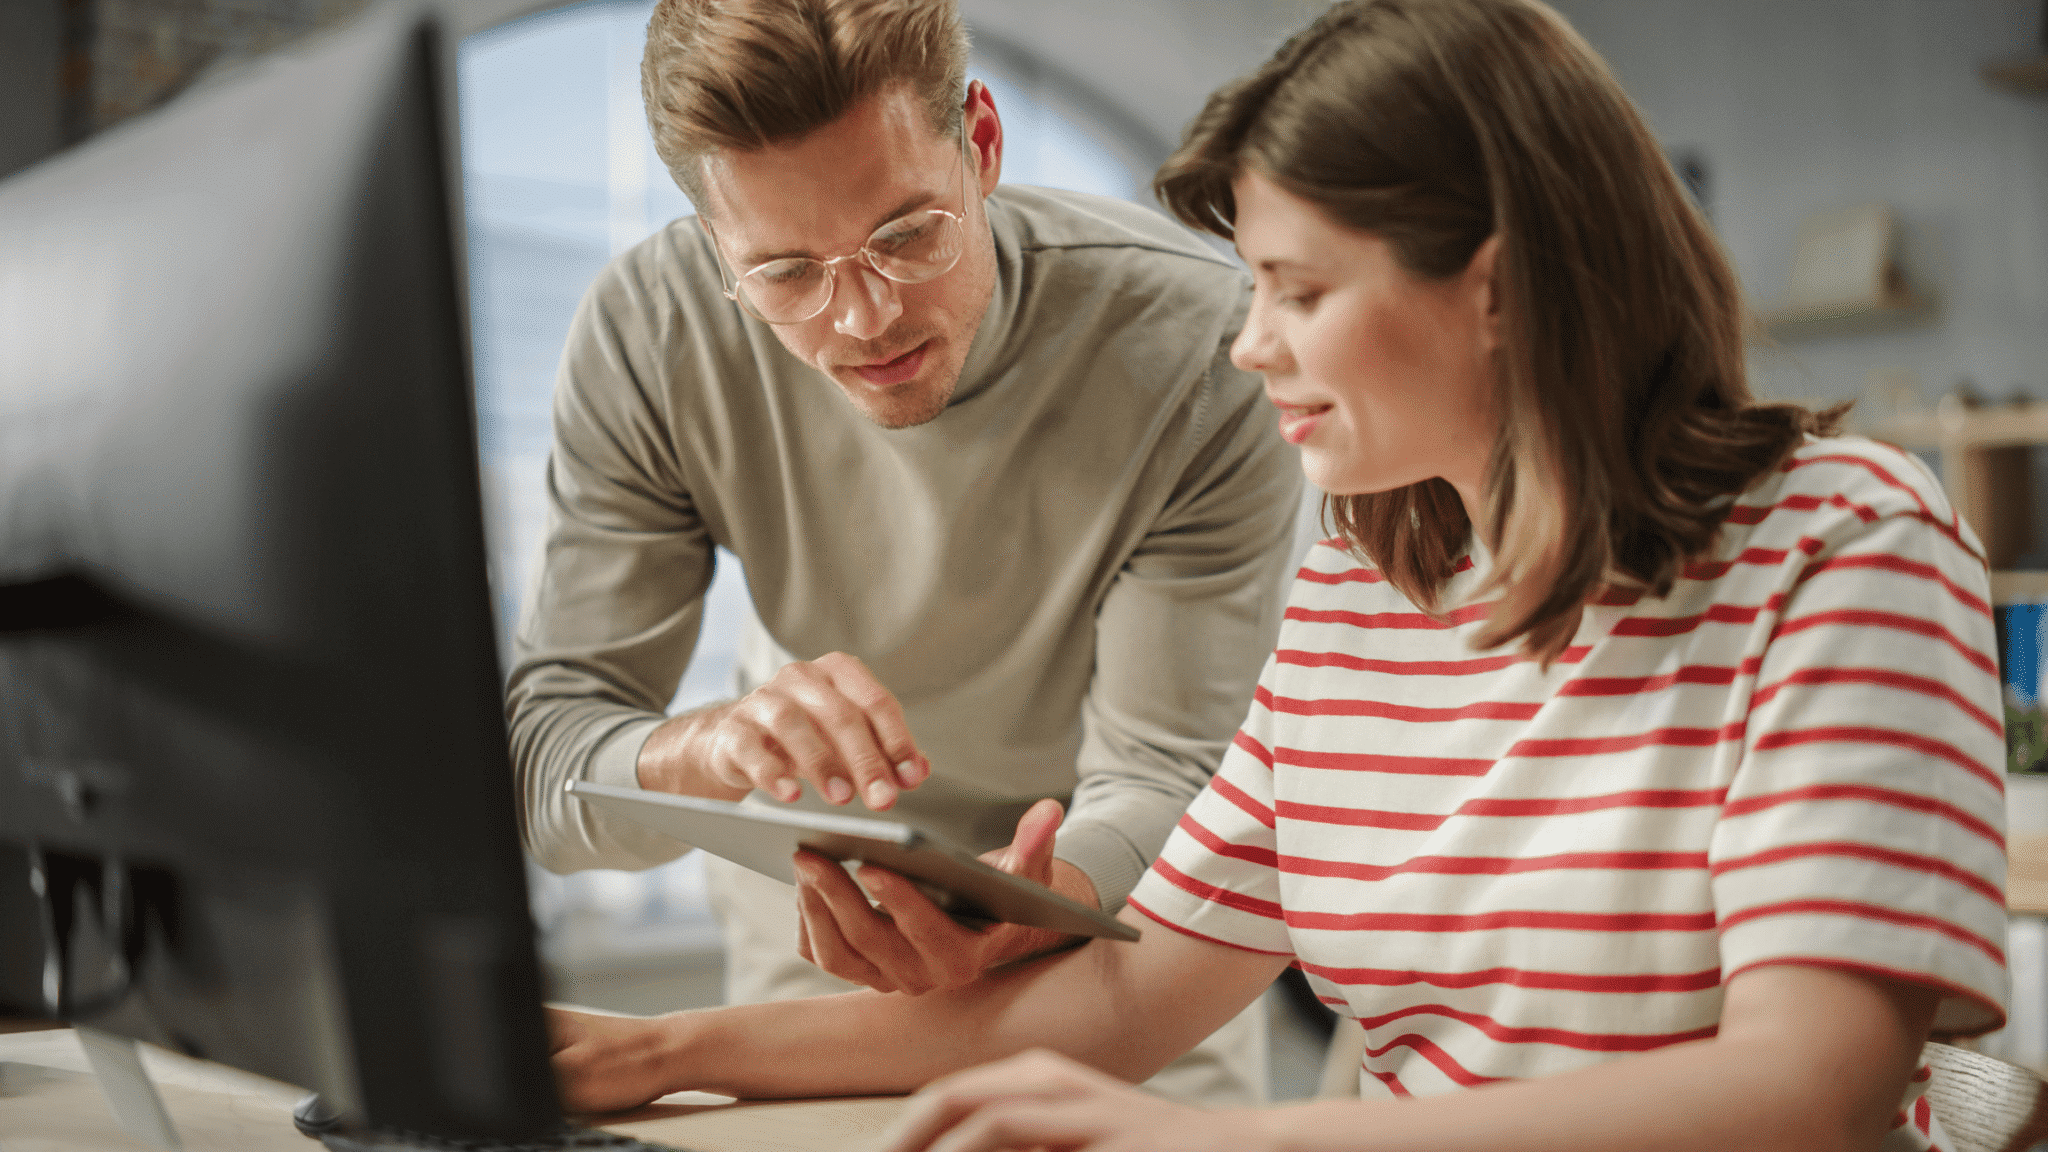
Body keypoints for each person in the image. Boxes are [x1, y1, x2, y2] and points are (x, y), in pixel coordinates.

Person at [544, 1, 2010, 1149]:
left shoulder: (1845, 545)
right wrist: (651, 1050)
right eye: (1253, 287)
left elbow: (1808, 1093)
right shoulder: (1362, 605)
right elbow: (1118, 1000)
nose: (1247, 347)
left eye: (1298, 293)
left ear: (1496, 287)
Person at [507, 0, 1301, 1104]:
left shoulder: (1198, 351)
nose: (865, 318)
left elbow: (1171, 776)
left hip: (1116, 966)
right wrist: (705, 752)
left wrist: (1021, 905)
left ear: (979, 143)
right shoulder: (651, 333)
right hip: (815, 973)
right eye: (785, 272)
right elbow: (545, 767)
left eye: (906, 233)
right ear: (707, 246)